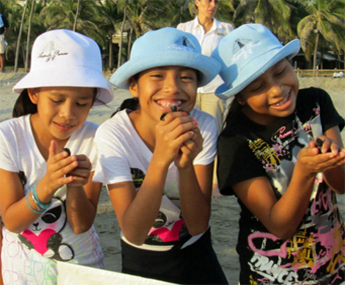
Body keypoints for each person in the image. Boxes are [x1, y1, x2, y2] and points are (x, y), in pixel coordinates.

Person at [93, 27, 229, 285]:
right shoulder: (113, 134)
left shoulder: (204, 125)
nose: (173, 88)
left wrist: (185, 165)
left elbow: (199, 224)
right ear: (134, 85)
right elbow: (133, 232)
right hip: (142, 258)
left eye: (186, 78)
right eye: (157, 75)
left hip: (197, 254)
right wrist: (161, 159)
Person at [212, 23, 345, 284]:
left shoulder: (315, 103)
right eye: (257, 87)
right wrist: (305, 172)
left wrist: (331, 161)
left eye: (281, 71)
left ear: (289, 63)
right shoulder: (235, 141)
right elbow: (279, 225)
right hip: (273, 273)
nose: (276, 89)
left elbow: (340, 185)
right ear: (240, 97)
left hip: (332, 263)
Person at [0, 29, 114, 284]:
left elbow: (81, 224)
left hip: (81, 270)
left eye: (81, 103)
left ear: (93, 100)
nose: (68, 114)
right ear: (33, 94)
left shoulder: (95, 140)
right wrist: (48, 184)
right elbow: (12, 221)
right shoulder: (8, 137)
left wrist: (74, 187)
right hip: (22, 274)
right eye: (57, 100)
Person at [177, 0, 234, 196]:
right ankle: (184, 171)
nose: (212, 4)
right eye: (207, 0)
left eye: (215, 1)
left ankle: (213, 180)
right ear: (197, 2)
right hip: (189, 89)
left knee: (213, 132)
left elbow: (230, 58)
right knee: (185, 129)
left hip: (214, 89)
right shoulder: (183, 28)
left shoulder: (226, 29)